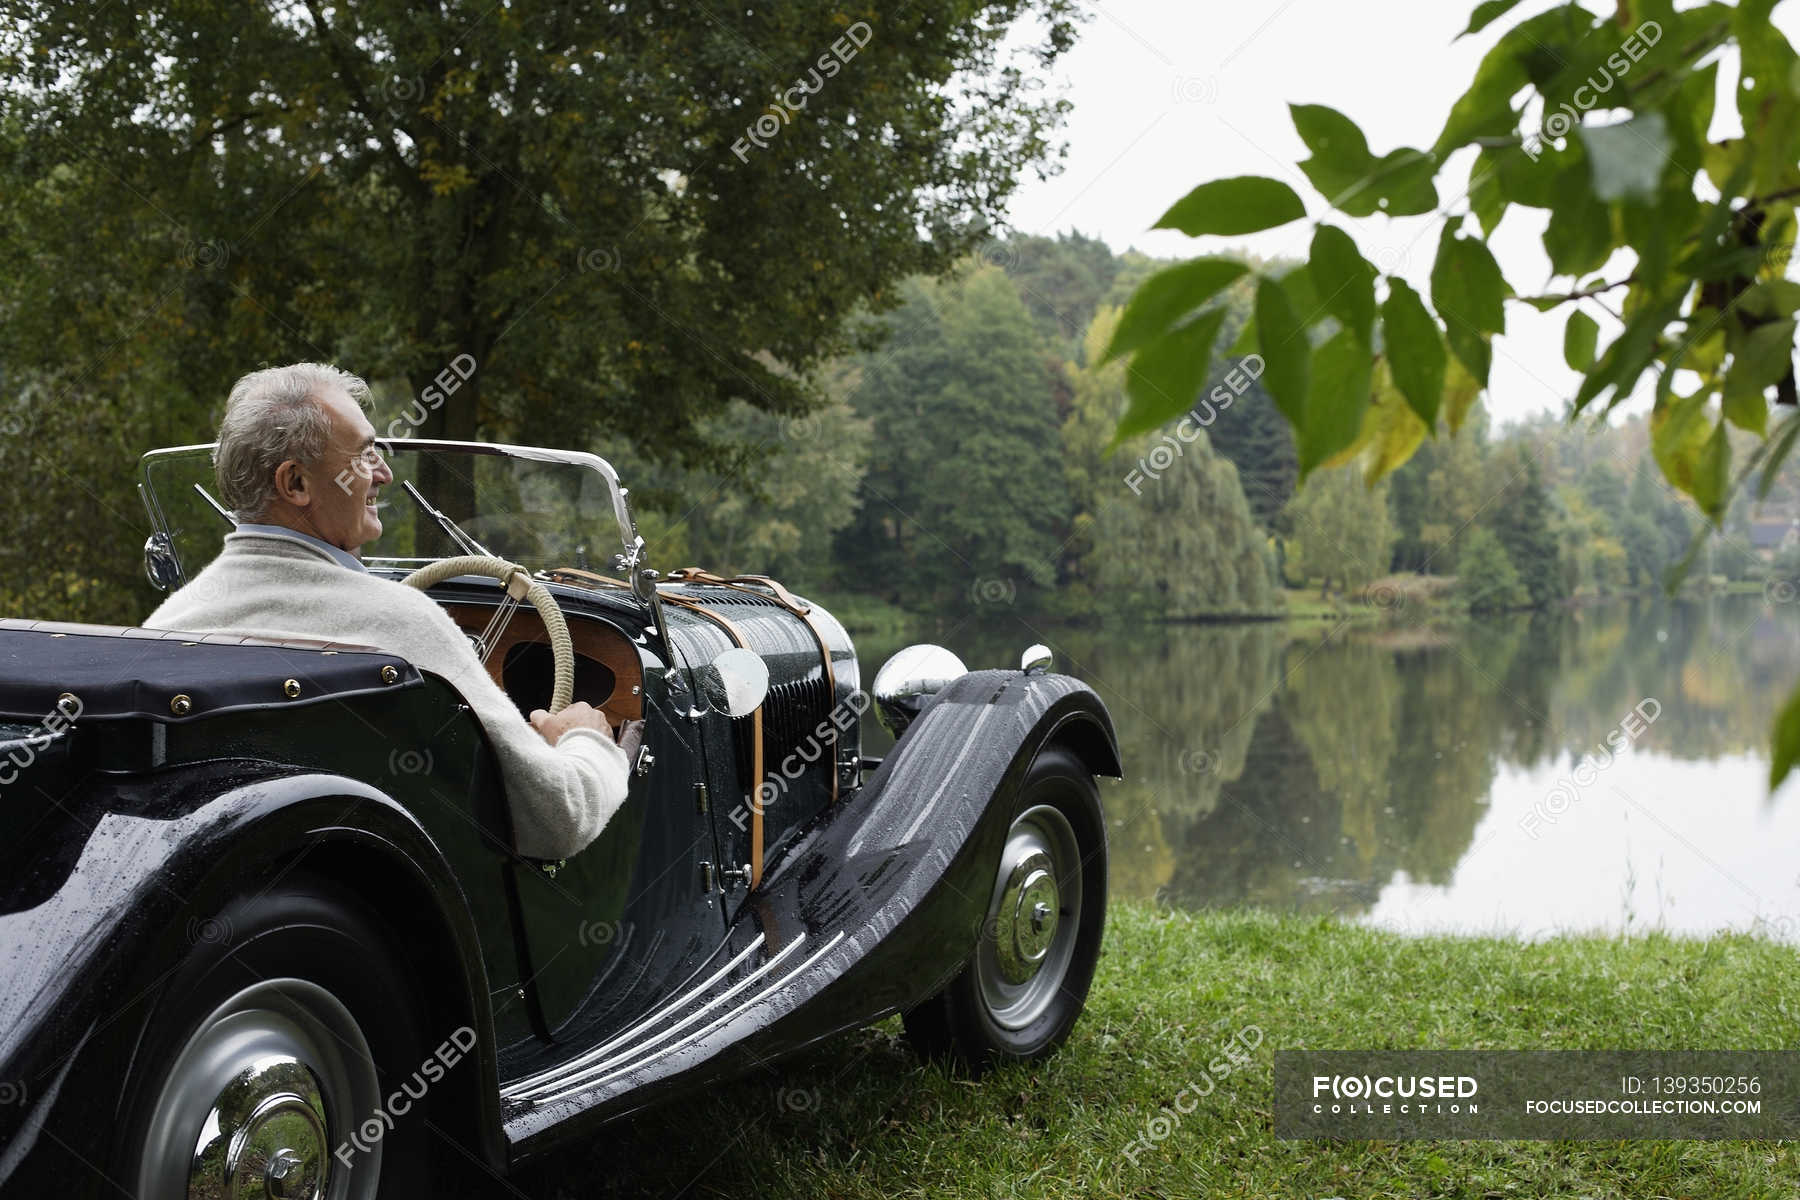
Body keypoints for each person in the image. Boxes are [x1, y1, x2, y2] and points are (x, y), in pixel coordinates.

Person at [145, 362, 643, 860]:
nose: (384, 471)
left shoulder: (165, 628)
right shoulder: (402, 623)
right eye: (364, 455)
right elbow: (558, 817)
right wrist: (586, 741)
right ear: (296, 484)